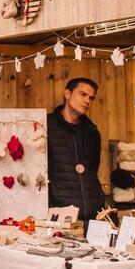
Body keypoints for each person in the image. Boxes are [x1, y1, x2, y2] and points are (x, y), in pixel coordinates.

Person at [47, 77, 103, 222]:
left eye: (91, 98)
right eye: (82, 94)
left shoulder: (93, 132)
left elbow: (92, 170)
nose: (87, 101)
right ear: (67, 94)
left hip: (91, 212)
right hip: (59, 213)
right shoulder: (47, 126)